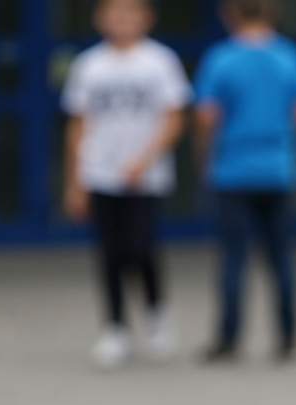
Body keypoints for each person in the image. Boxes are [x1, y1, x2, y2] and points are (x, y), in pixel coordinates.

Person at [62, 0, 191, 370]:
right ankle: (114, 327)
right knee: (110, 253)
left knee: (141, 247)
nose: (122, 22)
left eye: (129, 15)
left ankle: (156, 312)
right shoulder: (88, 65)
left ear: (146, 19)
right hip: (100, 173)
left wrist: (145, 158)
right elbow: (78, 124)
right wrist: (75, 180)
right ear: (100, 20)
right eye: (114, 15)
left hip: (145, 176)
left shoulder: (159, 62)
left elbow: (173, 117)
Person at [194, 0, 296, 362]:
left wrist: (205, 160)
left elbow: (206, 116)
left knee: (233, 258)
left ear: (230, 13)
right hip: (279, 170)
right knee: (281, 258)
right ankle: (288, 338)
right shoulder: (289, 56)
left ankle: (228, 339)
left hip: (232, 171)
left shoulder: (220, 58)